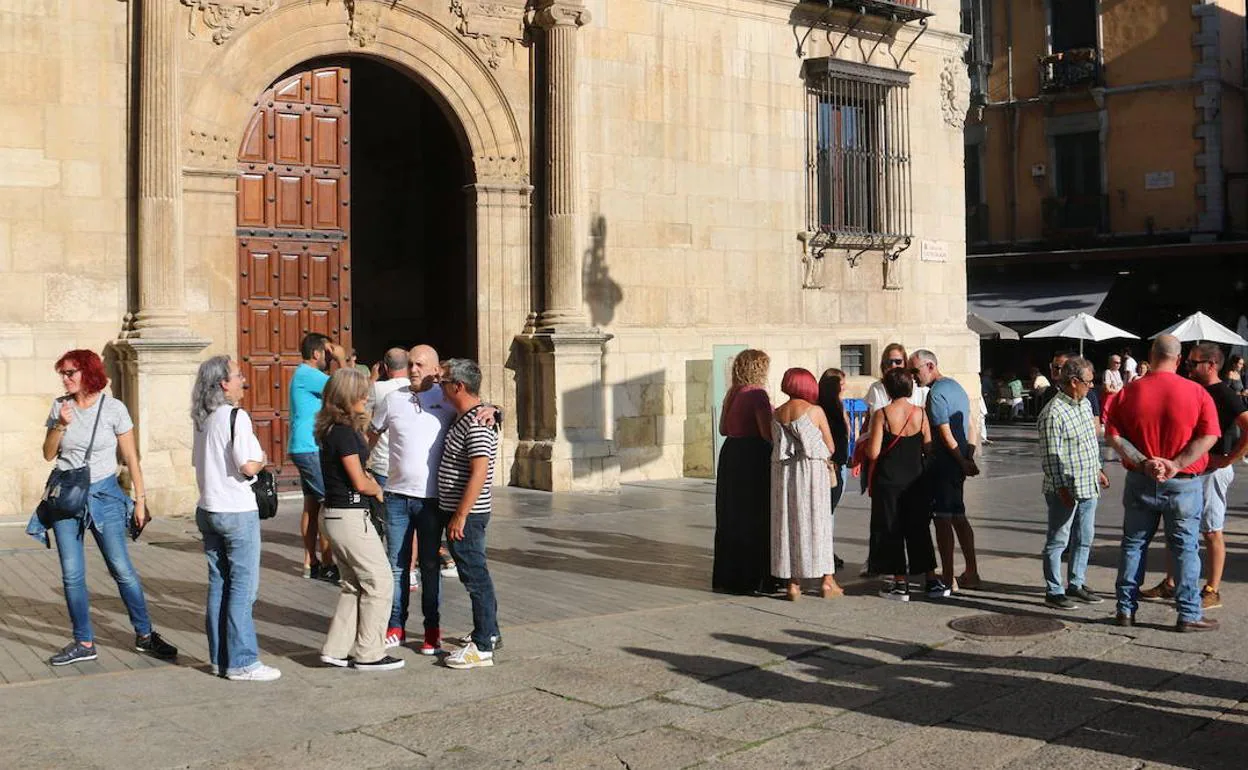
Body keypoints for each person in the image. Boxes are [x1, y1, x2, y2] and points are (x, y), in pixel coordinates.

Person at [32, 349, 177, 666]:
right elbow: (47, 453)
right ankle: (84, 642)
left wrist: (141, 500)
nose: (65, 378)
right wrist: (59, 425)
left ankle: (145, 635)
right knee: (72, 575)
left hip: (105, 496)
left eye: (71, 372)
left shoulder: (113, 409)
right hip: (67, 498)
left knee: (121, 570)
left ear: (88, 373)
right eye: (63, 373)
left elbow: (131, 457)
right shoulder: (61, 406)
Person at [1105, 335, 1220, 632]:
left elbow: (1113, 435)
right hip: (1182, 482)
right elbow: (1209, 436)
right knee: (1184, 549)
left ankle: (1125, 610)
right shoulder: (1197, 392)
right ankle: (1188, 614)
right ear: (1179, 359)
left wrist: (1144, 461)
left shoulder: (1129, 392)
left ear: (1151, 355)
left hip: (1141, 479)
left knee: (1133, 544)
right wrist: (1176, 464)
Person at [190, 355, 280, 681]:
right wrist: (263, 458)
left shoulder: (203, 419)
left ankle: (219, 658)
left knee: (219, 585)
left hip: (208, 508)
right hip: (236, 510)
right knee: (243, 589)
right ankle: (242, 661)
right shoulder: (234, 416)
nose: (243, 380)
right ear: (223, 384)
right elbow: (247, 465)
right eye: (238, 375)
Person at [1139, 343, 1248, 610]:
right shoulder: (1193, 388)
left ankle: (1212, 588)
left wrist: (1228, 458)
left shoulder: (1224, 392)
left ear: (1211, 365)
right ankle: (1171, 582)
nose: (1187, 367)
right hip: (1191, 467)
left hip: (1212, 470)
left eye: (1193, 363)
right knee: (1176, 525)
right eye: (1187, 362)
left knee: (1211, 529)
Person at [316, 368, 404, 671]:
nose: (366, 398)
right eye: (360, 393)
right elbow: (358, 480)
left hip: (335, 515)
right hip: (350, 516)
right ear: (344, 397)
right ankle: (370, 653)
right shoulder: (342, 432)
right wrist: (377, 488)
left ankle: (337, 649)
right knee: (380, 582)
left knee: (353, 584)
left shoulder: (334, 430)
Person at [437, 359, 502, 670]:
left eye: (444, 381)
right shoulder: (470, 415)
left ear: (458, 387)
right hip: (463, 511)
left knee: (476, 577)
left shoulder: (477, 422)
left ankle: (483, 645)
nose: (440, 385)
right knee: (474, 574)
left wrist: (460, 515)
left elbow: (480, 470)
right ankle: (488, 633)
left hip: (469, 514)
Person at [1036, 356, 1109, 611]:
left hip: (1089, 483)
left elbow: (1090, 442)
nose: (1093, 386)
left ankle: (1076, 583)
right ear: (1074, 381)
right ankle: (1054, 589)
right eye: (1089, 382)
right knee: (1058, 539)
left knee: (1085, 536)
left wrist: (1099, 468)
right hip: (1065, 486)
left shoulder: (1085, 404)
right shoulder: (1053, 413)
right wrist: (1061, 488)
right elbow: (1050, 456)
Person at [865, 367, 944, 600]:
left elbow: (873, 452)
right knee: (919, 528)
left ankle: (900, 583)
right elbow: (928, 446)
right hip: (915, 480)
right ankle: (931, 580)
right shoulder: (920, 413)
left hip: (889, 480)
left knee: (891, 528)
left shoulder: (882, 414)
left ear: (887, 389)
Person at [910, 349, 979, 592]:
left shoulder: (936, 394)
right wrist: (969, 456)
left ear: (929, 366)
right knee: (959, 517)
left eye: (915, 370)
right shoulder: (956, 387)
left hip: (944, 465)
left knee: (942, 519)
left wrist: (961, 461)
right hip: (958, 463)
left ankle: (949, 576)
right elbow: (971, 424)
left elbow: (945, 431)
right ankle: (972, 571)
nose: (913, 377)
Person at [770, 368, 840, 601]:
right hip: (812, 473)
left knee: (788, 522)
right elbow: (830, 446)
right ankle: (827, 581)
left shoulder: (777, 413)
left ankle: (792, 583)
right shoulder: (815, 411)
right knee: (818, 521)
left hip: (785, 474)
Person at [712, 349, 773, 594]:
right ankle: (753, 576)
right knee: (754, 516)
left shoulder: (732, 393)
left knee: (731, 516)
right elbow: (766, 433)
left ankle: (729, 576)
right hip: (752, 455)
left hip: (731, 454)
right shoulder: (758, 395)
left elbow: (724, 429)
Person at [288, 332, 346, 582]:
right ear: (317, 353)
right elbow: (346, 391)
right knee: (330, 502)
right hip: (310, 447)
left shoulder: (304, 375)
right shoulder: (310, 374)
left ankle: (310, 562)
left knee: (312, 505)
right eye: (327, 352)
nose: (329, 357)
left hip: (306, 446)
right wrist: (343, 361)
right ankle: (327, 563)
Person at [866, 343, 926, 414]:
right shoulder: (876, 388)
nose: (893, 366)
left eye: (898, 362)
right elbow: (869, 418)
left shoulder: (919, 389)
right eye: (889, 362)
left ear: (905, 364)